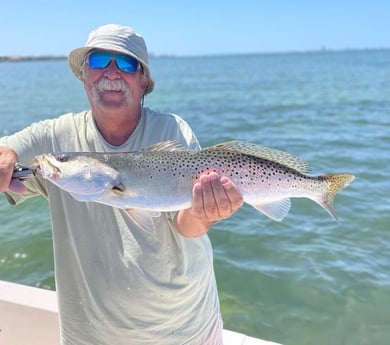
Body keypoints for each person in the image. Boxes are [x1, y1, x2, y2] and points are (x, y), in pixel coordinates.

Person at [0, 24, 243, 345]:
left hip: (183, 328)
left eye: (126, 64)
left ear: (144, 82)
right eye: (99, 61)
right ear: (84, 76)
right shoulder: (55, 138)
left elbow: (188, 226)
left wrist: (205, 212)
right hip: (88, 334)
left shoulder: (171, 130)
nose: (111, 73)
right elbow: (7, 150)